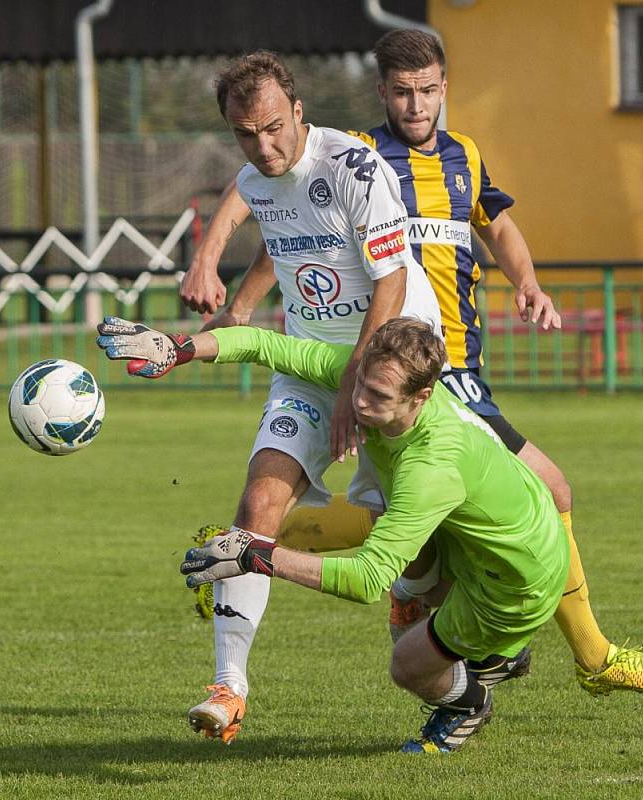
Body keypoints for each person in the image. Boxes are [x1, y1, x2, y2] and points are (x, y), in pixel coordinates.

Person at [180, 30, 643, 699]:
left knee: (434, 515)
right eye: (401, 91)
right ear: (382, 92)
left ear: (445, 87)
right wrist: (224, 281)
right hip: (402, 367)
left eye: (428, 90)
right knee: (536, 494)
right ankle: (584, 655)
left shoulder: (462, 156)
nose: (415, 105)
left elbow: (496, 224)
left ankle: (275, 552)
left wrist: (528, 283)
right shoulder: (355, 157)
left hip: (449, 361)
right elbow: (279, 219)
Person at [102, 50, 443, 744]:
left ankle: (422, 602)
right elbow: (278, 250)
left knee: (422, 542)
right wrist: (232, 316)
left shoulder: (354, 167)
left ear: (298, 110)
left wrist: (356, 385)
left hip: (392, 367)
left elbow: (391, 283)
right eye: (245, 134)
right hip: (308, 368)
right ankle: (229, 687)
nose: (263, 146)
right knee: (257, 503)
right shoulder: (260, 181)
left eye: (273, 128)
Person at [99, 315, 571, 753]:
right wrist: (180, 346)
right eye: (361, 385)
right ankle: (495, 654)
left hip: (513, 582)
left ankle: (469, 702)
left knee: (406, 665)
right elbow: (264, 344)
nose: (361, 402)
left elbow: (367, 579)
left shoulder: (431, 467)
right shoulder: (378, 378)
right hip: (480, 540)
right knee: (406, 604)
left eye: (379, 397)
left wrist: (257, 554)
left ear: (421, 397)